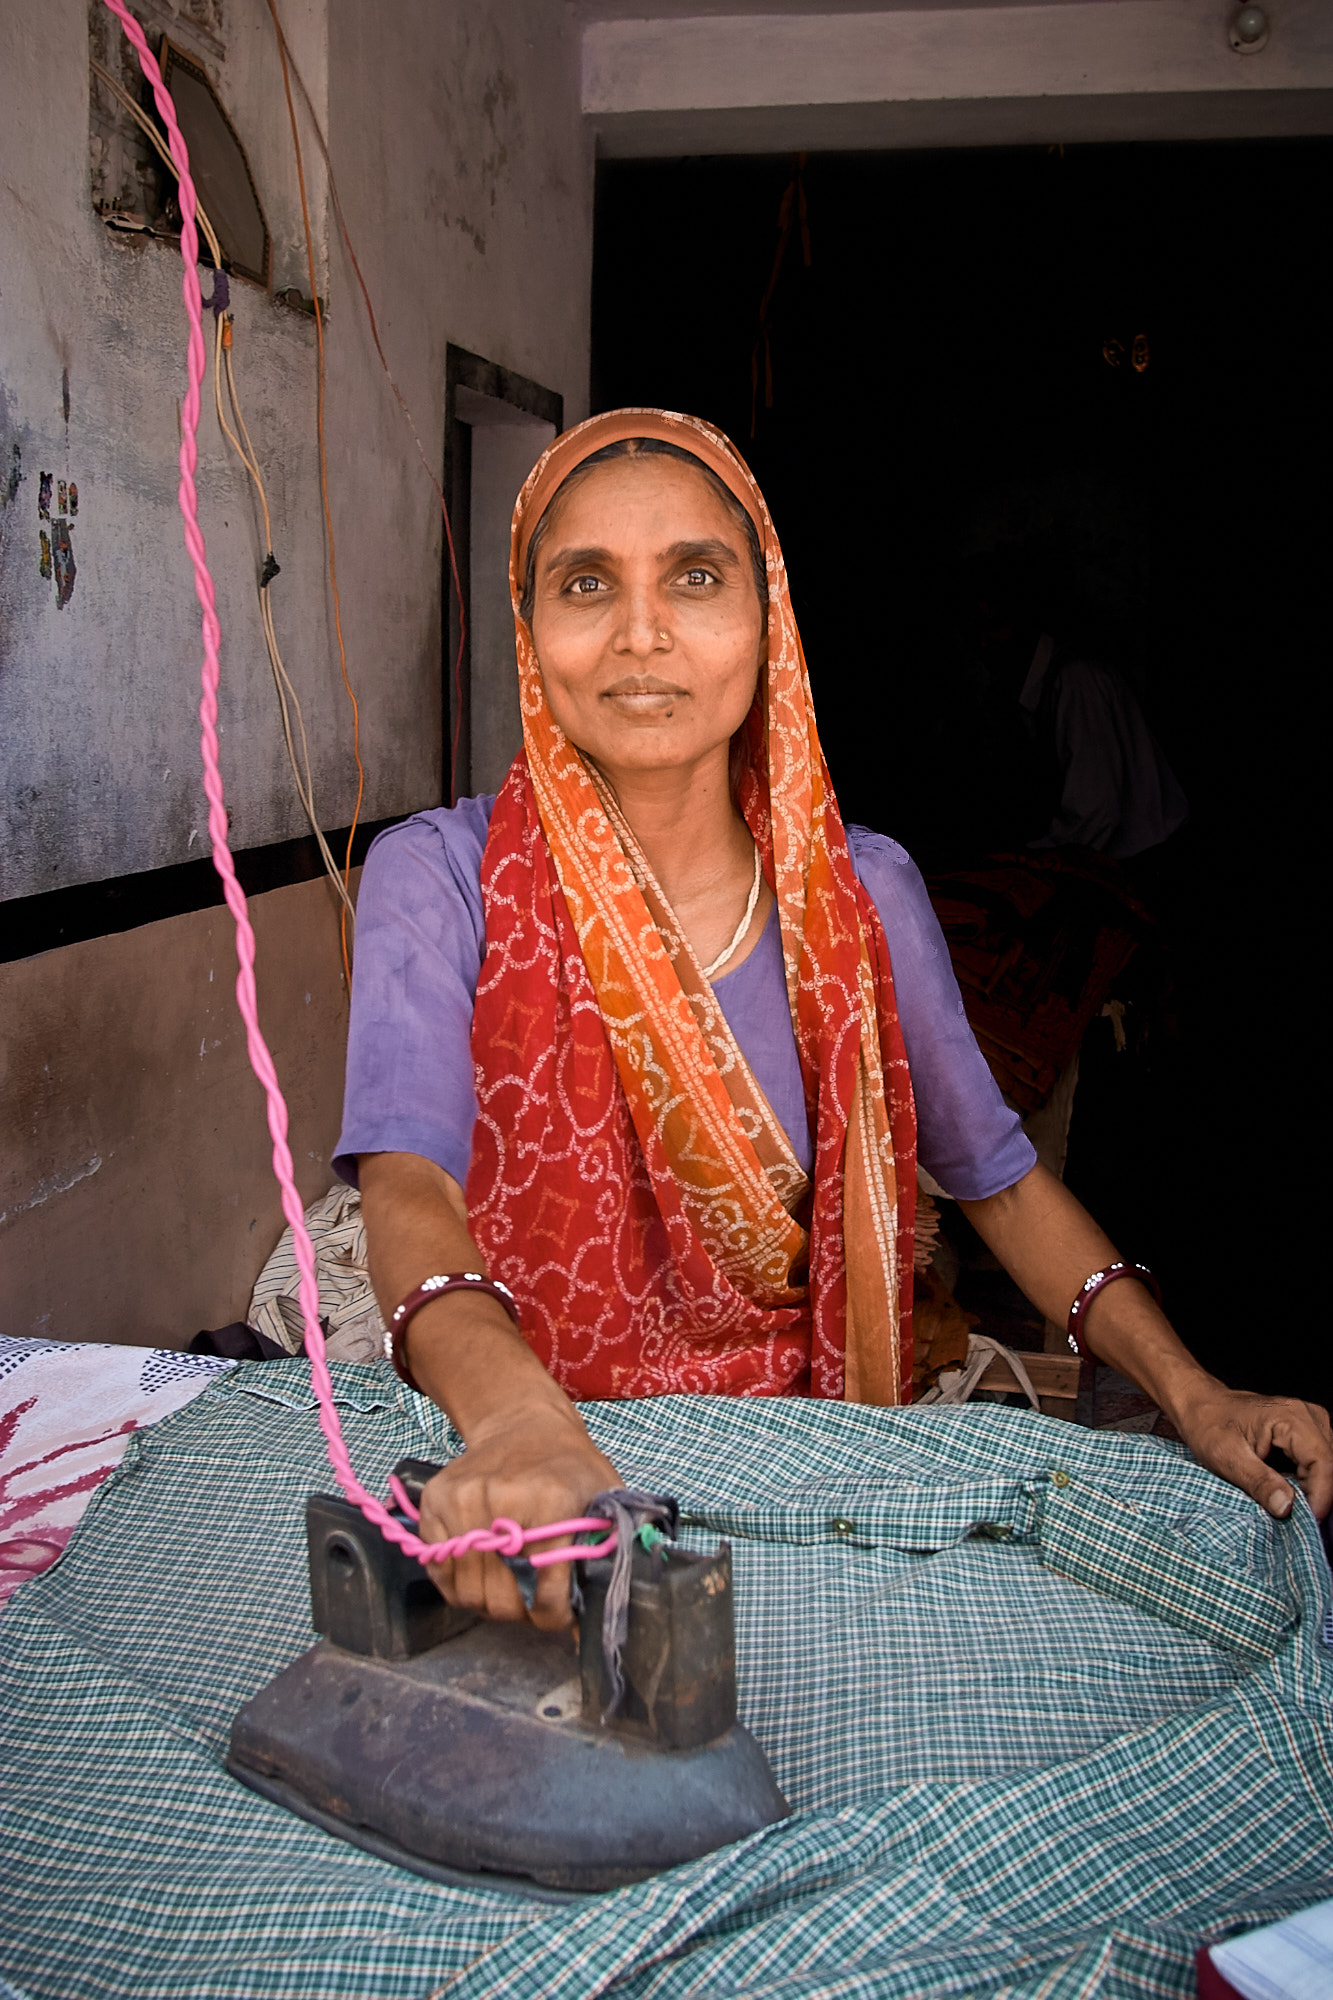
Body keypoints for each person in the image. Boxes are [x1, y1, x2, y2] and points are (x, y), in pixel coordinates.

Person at [335, 410, 1331, 1631]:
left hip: (821, 1472)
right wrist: (522, 1423)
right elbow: (406, 1189)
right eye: (584, 581)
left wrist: (1192, 1390)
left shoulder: (862, 898)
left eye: (695, 578)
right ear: (529, 628)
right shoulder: (438, 874)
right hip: (522, 1467)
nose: (641, 632)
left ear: (769, 622)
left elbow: (1001, 1187)